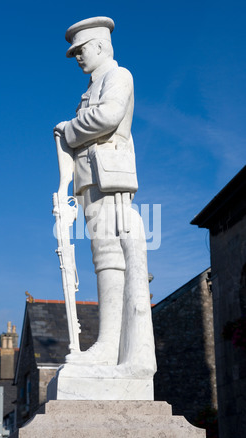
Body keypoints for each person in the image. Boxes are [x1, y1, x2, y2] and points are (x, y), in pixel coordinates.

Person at [54, 17, 156, 375]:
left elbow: (109, 117)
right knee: (104, 258)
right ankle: (108, 346)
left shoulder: (118, 76)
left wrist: (68, 129)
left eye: (82, 50)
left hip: (109, 178)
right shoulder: (91, 88)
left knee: (111, 257)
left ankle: (109, 347)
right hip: (91, 182)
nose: (79, 58)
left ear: (99, 46)